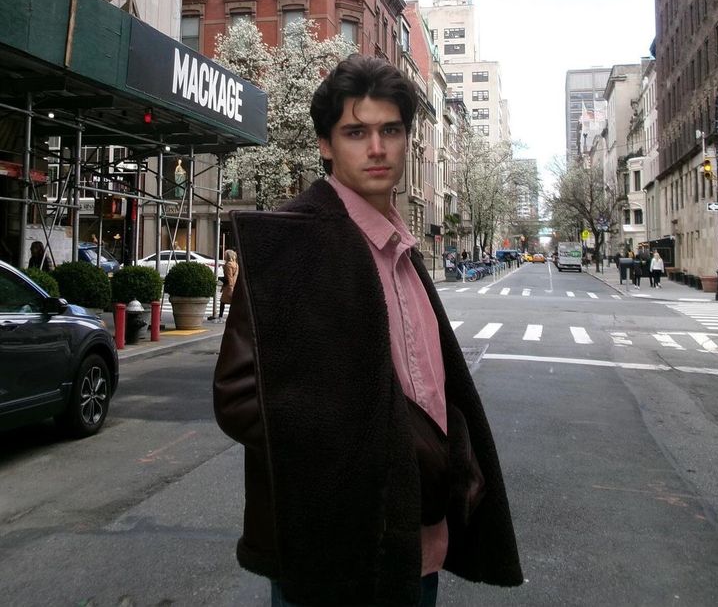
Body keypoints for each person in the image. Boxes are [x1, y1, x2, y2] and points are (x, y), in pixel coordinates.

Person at [213, 54, 522, 607]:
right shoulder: (292, 243)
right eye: (355, 132)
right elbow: (239, 400)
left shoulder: (407, 251)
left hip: (416, 546)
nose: (376, 148)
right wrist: (369, 456)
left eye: (390, 130)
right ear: (327, 145)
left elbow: (433, 387)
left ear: (408, 140)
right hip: (334, 550)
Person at [218, 249, 238, 320]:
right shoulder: (235, 264)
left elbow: (229, 276)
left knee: (223, 301)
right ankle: (232, 316)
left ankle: (220, 316)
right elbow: (235, 276)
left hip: (228, 285)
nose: (224, 256)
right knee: (232, 301)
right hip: (234, 284)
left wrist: (230, 287)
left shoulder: (228, 265)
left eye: (225, 255)